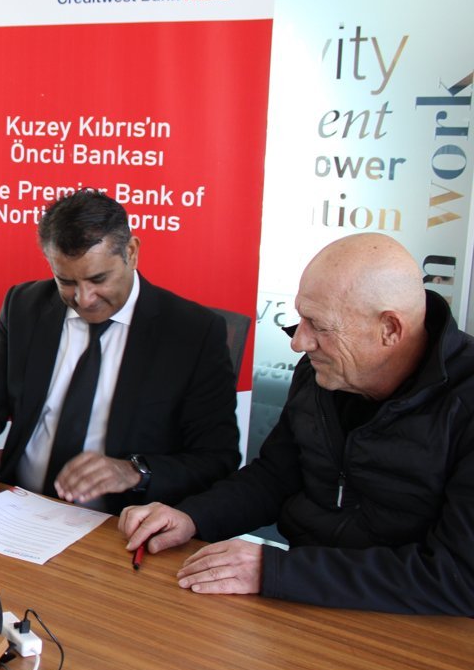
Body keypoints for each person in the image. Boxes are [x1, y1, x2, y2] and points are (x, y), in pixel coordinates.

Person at [120, 233, 474, 615]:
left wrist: (275, 570)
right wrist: (192, 516)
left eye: (319, 326)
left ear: (390, 329)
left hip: (413, 625)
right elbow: (276, 476)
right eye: (301, 319)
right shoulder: (323, 373)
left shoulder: (465, 403)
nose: (299, 343)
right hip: (305, 603)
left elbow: (458, 577)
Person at [0, 189, 240, 515]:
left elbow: (217, 459)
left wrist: (136, 471)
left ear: (131, 252)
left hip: (119, 523)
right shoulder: (24, 306)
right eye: (66, 281)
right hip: (16, 506)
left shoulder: (192, 333)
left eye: (98, 279)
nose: (84, 299)